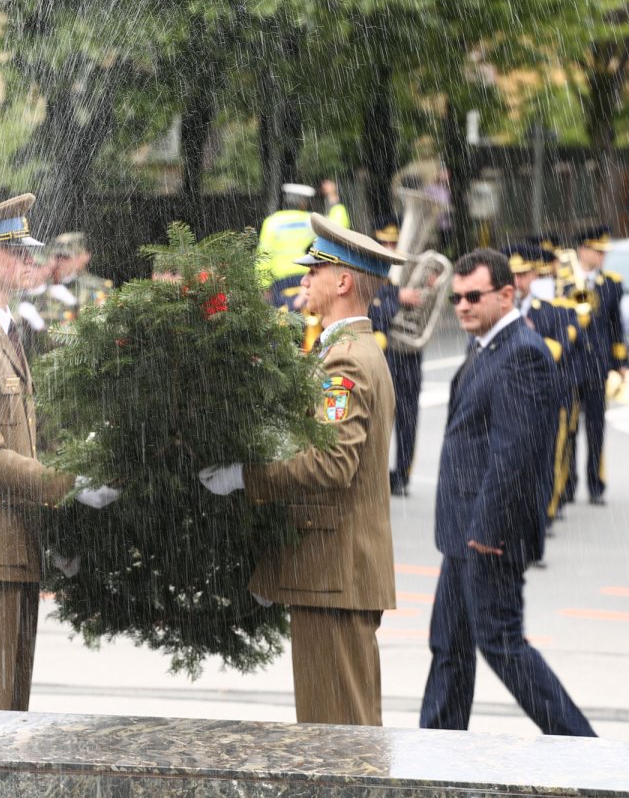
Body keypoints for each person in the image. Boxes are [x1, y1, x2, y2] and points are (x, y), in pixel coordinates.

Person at [199, 214, 402, 726]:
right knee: (340, 728)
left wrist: (247, 476)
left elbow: (333, 463)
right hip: (332, 571)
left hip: (333, 571)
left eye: (314, 270)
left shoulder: (347, 360)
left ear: (343, 281)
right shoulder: (345, 351)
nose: (303, 279)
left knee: (337, 735)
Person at [0, 193, 118, 712]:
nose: (28, 261)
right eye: (14, 250)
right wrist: (71, 483)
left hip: (13, 543)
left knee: (9, 714)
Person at [419, 247, 595, 737]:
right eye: (456, 298)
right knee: (449, 645)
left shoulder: (522, 354)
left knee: (502, 645)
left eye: (473, 296)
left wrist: (487, 532)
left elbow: (515, 455)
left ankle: (584, 747)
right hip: (465, 531)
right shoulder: (488, 346)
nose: (463, 306)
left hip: (488, 535)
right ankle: (437, 748)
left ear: (506, 293)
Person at [507, 243, 581, 536]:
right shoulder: (502, 311)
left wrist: (528, 337)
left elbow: (559, 348)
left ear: (535, 276)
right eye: (513, 274)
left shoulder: (551, 310)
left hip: (545, 395)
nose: (517, 282)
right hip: (511, 394)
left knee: (547, 457)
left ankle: (544, 513)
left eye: (523, 275)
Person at [558, 226, 626, 506]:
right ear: (582, 251)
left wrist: (619, 361)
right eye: (597, 250)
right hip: (571, 363)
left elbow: (615, 324)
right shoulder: (564, 281)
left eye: (603, 251)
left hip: (597, 364)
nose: (602, 256)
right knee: (569, 428)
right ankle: (567, 484)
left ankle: (596, 484)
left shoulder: (611, 283)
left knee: (596, 428)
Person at [368, 216, 425, 497]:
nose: (392, 249)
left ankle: (402, 474)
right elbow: (375, 315)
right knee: (380, 415)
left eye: (395, 243)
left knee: (409, 417)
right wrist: (397, 298)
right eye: (386, 243)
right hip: (384, 354)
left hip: (409, 355)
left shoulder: (414, 274)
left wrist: (426, 288)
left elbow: (425, 315)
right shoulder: (373, 279)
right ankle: (377, 472)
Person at [257, 184, 316, 309]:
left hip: (280, 280)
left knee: (283, 321)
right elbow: (339, 225)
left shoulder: (272, 221)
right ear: (304, 202)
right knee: (308, 320)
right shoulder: (311, 220)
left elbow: (263, 255)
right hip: (305, 277)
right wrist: (334, 201)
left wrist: (264, 285)